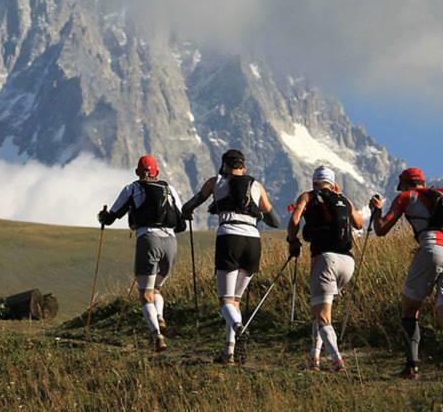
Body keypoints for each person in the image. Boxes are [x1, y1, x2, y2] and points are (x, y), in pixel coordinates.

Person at [369, 167, 443, 380]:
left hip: (431, 246)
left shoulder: (406, 196)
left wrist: (376, 211)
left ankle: (412, 367)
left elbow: (381, 229)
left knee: (410, 309)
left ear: (405, 184)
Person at [181, 149, 281, 363]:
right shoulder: (256, 185)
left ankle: (239, 329)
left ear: (224, 165)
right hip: (253, 241)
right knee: (234, 301)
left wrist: (188, 213)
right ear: (243, 167)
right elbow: (275, 222)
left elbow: (189, 205)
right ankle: (229, 352)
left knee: (225, 301)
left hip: (229, 237)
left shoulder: (215, 181)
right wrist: (257, 213)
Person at [98, 154, 186, 352]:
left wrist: (102, 217)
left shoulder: (133, 188)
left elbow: (112, 216)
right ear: (157, 172)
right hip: (171, 242)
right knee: (156, 290)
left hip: (148, 239)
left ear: (138, 172)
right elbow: (181, 222)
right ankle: (161, 316)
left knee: (145, 294)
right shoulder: (169, 189)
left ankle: (157, 335)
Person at [286, 166, 363, 372]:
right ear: (332, 182)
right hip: (348, 262)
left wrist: (292, 240)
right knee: (321, 310)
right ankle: (315, 356)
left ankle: (337, 361)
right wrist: (340, 198)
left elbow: (294, 220)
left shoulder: (308, 196)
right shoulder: (343, 199)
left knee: (322, 316)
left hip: (325, 260)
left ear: (314, 181)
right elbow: (359, 223)